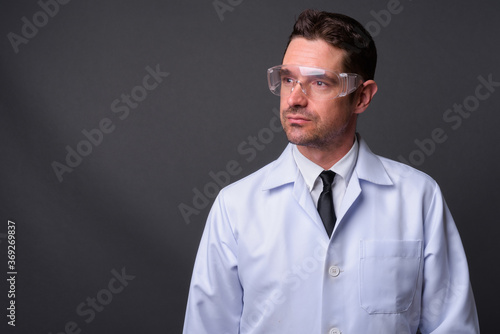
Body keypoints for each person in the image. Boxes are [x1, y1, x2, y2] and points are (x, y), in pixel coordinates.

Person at [183, 9, 479, 334]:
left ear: (361, 97)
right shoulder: (235, 207)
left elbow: (453, 327)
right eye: (288, 79)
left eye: (319, 82)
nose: (295, 98)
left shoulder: (419, 198)